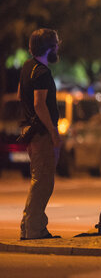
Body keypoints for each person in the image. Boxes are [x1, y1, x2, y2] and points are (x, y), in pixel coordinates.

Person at [18, 28, 62, 240]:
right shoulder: (42, 72)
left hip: (31, 131)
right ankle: (34, 229)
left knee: (39, 180)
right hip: (41, 134)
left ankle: (29, 226)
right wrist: (53, 132)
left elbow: (21, 94)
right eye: (56, 43)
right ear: (49, 47)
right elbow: (39, 104)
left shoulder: (28, 67)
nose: (58, 46)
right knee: (43, 181)